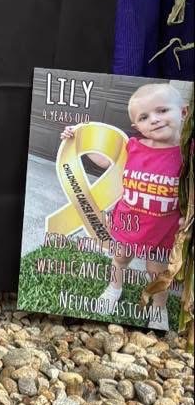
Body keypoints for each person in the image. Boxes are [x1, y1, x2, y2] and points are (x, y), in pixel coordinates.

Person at [61, 82, 189, 330]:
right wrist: (79, 138)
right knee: (120, 258)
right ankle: (114, 288)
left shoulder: (188, 153)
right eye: (144, 117)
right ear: (136, 126)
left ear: (183, 112)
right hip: (128, 222)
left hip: (164, 230)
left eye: (162, 110)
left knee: (157, 271)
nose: (154, 119)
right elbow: (104, 160)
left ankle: (159, 307)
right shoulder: (133, 146)